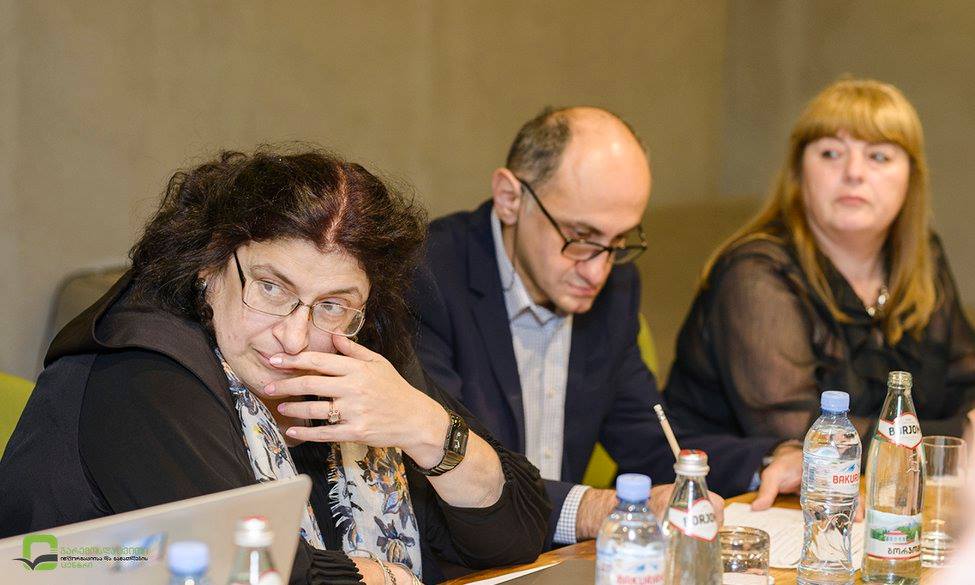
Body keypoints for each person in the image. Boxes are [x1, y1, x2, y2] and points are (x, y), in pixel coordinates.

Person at [0, 149, 549, 584]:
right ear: (210, 266)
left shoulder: (357, 348)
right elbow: (239, 565)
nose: (294, 335)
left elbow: (518, 531)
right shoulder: (142, 368)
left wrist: (425, 426)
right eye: (270, 288)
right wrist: (373, 576)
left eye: (331, 304)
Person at [410, 106, 801, 548]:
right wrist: (598, 510)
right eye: (580, 237)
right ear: (510, 198)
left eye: (618, 241)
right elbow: (447, 469)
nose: (597, 271)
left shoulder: (617, 287)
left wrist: (769, 461)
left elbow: (648, 441)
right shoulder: (428, 276)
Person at [664, 79, 975, 460]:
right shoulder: (755, 273)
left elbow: (964, 381)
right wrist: (963, 433)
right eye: (831, 153)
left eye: (879, 157)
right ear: (799, 173)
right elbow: (807, 436)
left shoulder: (921, 257)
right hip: (722, 491)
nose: (854, 172)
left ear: (911, 178)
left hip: (875, 489)